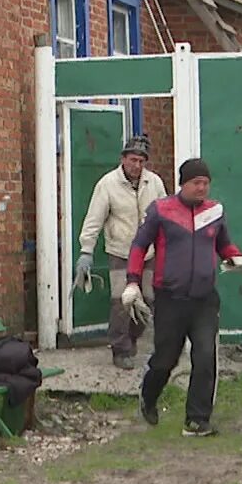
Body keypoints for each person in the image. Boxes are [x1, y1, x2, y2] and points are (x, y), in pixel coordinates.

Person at [123, 157, 240, 437]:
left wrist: (239, 261)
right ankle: (148, 396)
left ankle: (197, 420)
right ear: (183, 184)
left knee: (204, 355)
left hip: (204, 299)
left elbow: (224, 245)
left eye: (206, 183)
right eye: (196, 183)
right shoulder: (161, 211)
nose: (202, 188)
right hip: (170, 299)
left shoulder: (214, 212)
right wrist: (132, 282)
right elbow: (139, 246)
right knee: (166, 358)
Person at [71, 135, 167, 368]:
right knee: (121, 303)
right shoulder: (108, 184)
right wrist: (86, 251)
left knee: (148, 300)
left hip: (148, 253)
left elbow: (166, 214)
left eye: (141, 162)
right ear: (123, 159)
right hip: (120, 252)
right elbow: (94, 219)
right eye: (133, 160)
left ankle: (132, 338)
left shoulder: (153, 183)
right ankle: (120, 349)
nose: (137, 166)